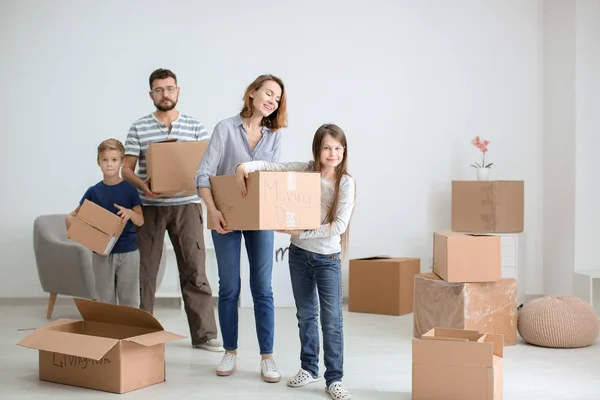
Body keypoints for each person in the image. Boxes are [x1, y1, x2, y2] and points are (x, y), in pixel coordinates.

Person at [235, 124, 355, 400]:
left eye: (338, 148)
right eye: (327, 147)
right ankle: (309, 368)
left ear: (344, 150)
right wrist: (245, 166)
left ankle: (334, 378)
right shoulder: (305, 170)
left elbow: (338, 226)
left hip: (327, 258)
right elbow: (272, 167)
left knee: (332, 320)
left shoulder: (346, 182)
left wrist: (302, 231)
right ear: (317, 149)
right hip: (299, 255)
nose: (332, 153)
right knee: (305, 315)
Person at [195, 74, 288, 382]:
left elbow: (272, 176)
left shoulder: (274, 136)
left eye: (277, 98)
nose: (272, 101)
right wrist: (213, 211)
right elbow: (203, 176)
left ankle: (267, 357)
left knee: (262, 288)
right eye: (268, 93)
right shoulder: (225, 128)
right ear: (252, 93)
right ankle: (230, 350)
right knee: (230, 286)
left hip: (260, 221)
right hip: (225, 218)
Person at [122, 68, 222, 352]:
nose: (165, 94)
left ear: (178, 91)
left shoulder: (195, 126)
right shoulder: (139, 127)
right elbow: (126, 168)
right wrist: (142, 184)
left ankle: (204, 335)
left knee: (195, 270)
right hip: (149, 207)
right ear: (151, 94)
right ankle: (142, 332)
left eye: (170, 88)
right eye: (159, 90)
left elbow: (205, 165)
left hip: (186, 207)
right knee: (145, 273)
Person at [66, 139, 144, 308]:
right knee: (105, 300)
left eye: (114, 160)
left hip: (128, 253)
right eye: (105, 160)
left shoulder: (130, 190)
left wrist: (130, 213)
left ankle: (130, 332)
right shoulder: (93, 192)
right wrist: (69, 222)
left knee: (130, 300)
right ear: (98, 162)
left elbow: (140, 220)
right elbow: (74, 215)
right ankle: (109, 332)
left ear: (122, 162)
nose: (109, 164)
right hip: (101, 254)